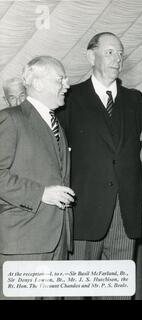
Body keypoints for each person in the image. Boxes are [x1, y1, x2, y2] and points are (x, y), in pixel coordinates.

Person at [57, 32, 142, 299]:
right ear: (90, 56)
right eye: (110, 52)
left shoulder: (135, 99)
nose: (117, 59)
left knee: (118, 291)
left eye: (120, 53)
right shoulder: (69, 97)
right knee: (76, 289)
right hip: (83, 210)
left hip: (126, 210)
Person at [0, 56, 74, 299]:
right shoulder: (11, 118)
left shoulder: (55, 123)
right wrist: (41, 193)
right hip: (24, 243)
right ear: (38, 83)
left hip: (56, 241)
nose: (67, 84)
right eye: (60, 79)